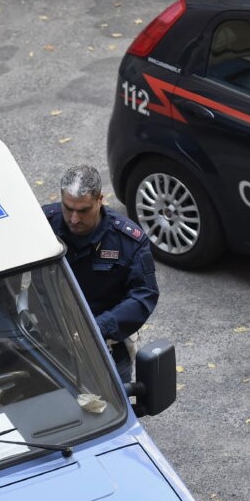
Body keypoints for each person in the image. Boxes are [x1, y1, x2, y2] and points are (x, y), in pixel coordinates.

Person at [43, 164, 159, 382]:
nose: (74, 219)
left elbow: (144, 295)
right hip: (48, 344)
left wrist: (97, 328)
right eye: (68, 208)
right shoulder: (41, 226)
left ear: (100, 199)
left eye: (83, 210)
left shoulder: (129, 241)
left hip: (105, 348)